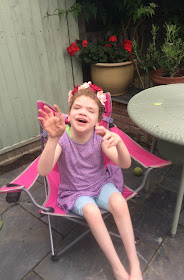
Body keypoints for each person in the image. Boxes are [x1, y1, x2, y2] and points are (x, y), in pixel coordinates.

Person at [37, 82, 143, 280]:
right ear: (69, 115)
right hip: (75, 192)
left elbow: (125, 163)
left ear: (98, 120)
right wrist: (52, 140)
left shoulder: (99, 137)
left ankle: (134, 264)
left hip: (100, 183)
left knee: (119, 202)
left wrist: (119, 143)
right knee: (92, 212)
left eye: (90, 110)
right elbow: (43, 171)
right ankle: (118, 267)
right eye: (77, 108)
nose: (82, 112)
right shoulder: (62, 140)